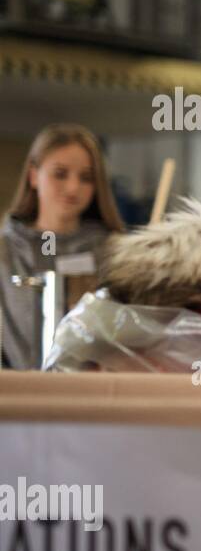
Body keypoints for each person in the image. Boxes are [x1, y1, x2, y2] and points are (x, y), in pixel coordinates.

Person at [0, 123, 125, 369]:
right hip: (13, 398)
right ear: (34, 175)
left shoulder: (115, 253)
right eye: (60, 173)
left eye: (86, 178)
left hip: (93, 398)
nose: (73, 188)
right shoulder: (5, 251)